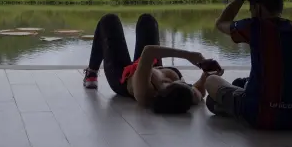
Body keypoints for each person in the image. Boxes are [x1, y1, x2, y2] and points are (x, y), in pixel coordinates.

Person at [204, 0, 292, 131]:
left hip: (259, 114)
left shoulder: (254, 27)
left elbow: (221, 23)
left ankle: (234, 108)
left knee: (212, 82)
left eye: (251, 9)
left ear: (257, 8)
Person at [83, 13, 222, 114]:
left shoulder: (146, 92)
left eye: (183, 84)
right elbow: (200, 90)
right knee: (147, 20)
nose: (186, 83)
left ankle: (91, 72)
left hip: (122, 75)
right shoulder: (187, 96)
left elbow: (148, 52)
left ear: (167, 90)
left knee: (109, 20)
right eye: (186, 84)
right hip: (152, 65)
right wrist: (208, 74)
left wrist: (189, 55)